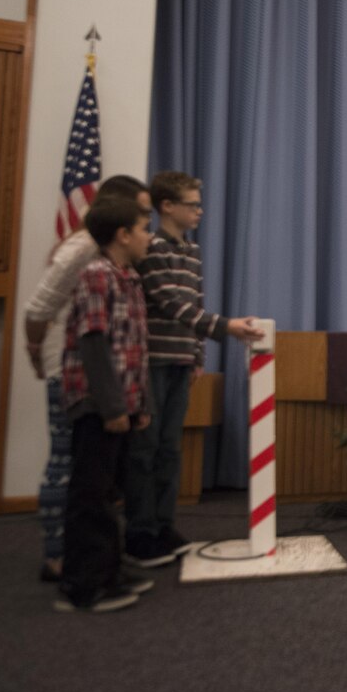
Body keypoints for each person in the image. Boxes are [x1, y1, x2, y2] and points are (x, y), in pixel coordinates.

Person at [125, 171, 264, 568]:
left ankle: (163, 525)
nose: (199, 211)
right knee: (144, 451)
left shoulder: (191, 252)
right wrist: (226, 328)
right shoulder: (151, 249)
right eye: (192, 204)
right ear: (167, 206)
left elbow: (196, 301)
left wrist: (198, 354)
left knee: (169, 450)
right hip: (152, 362)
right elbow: (171, 304)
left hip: (181, 362)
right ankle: (139, 532)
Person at [24, 176, 152, 583]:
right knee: (71, 467)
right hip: (75, 368)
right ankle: (61, 557)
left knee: (100, 476)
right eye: (143, 214)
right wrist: (35, 356)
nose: (147, 223)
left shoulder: (122, 266)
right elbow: (39, 307)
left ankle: (97, 557)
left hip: (110, 374)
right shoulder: (84, 253)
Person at [55, 196, 154, 612]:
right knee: (90, 496)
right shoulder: (96, 275)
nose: (150, 237)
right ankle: (85, 585)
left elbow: (135, 347)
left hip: (122, 405)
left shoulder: (128, 277)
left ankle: (108, 568)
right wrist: (113, 406)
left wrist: (140, 403)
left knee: (111, 493)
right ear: (123, 234)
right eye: (144, 229)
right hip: (98, 406)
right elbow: (94, 345)